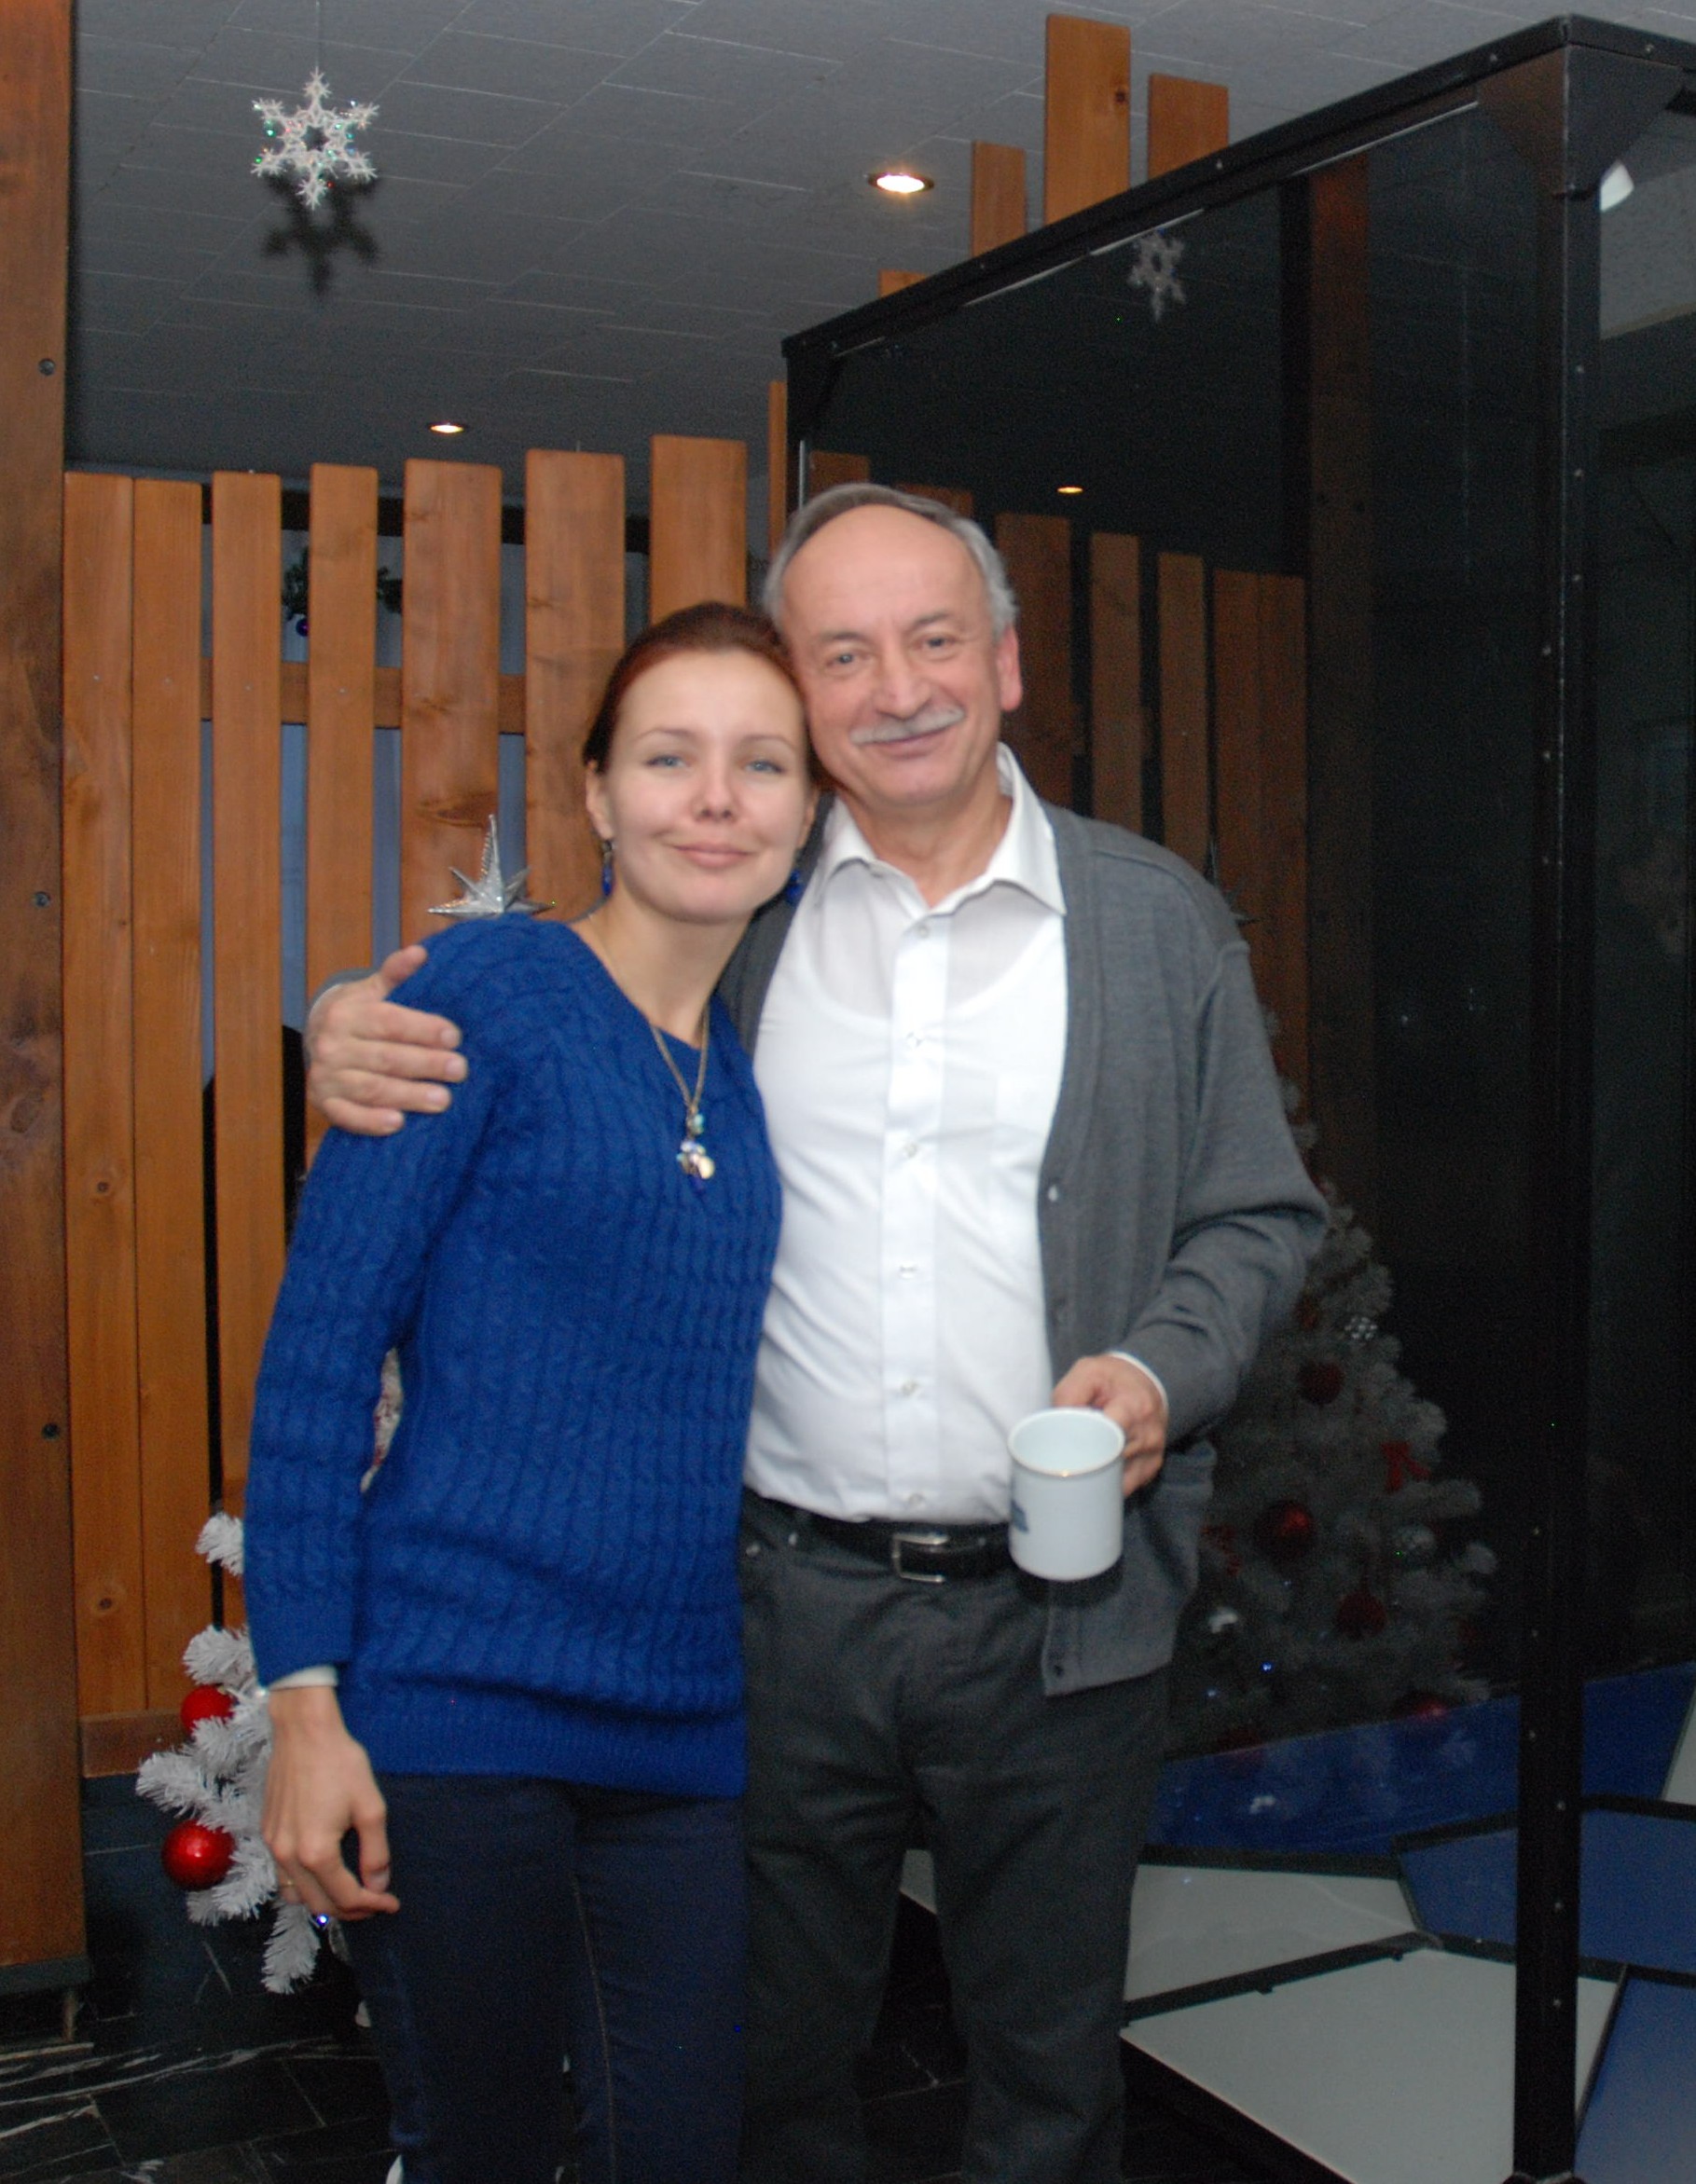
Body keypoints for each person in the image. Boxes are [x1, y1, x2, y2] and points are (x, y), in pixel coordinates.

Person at [307, 486, 1328, 2184]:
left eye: (935, 640)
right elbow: (544, 1013)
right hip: (778, 1619)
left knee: (1052, 2082)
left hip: (1062, 1628)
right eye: (843, 655)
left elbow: (1259, 1214)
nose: (898, 688)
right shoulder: (741, 914)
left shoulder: (1156, 925)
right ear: (796, 689)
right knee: (766, 2075)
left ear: (1006, 663)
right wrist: (354, 1022)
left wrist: (1164, 1367)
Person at [244, 602, 818, 2184]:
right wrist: (304, 1705)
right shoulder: (487, 994)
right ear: (595, 796)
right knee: (480, 2152)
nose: (716, 798)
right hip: (456, 1711)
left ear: (806, 813)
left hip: (679, 1725)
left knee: (679, 2147)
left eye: (762, 763)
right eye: (670, 757)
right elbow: (318, 1358)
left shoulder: (744, 1074)